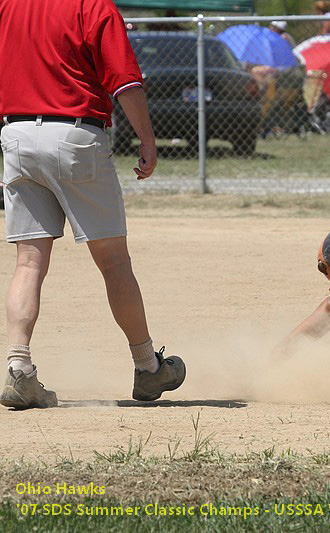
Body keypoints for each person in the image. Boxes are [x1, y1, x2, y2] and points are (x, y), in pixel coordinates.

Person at [0, 0, 186, 409]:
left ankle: (19, 368)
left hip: (15, 134)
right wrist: (149, 140)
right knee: (114, 262)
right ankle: (147, 368)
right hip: (74, 135)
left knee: (28, 262)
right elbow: (125, 82)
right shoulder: (92, 6)